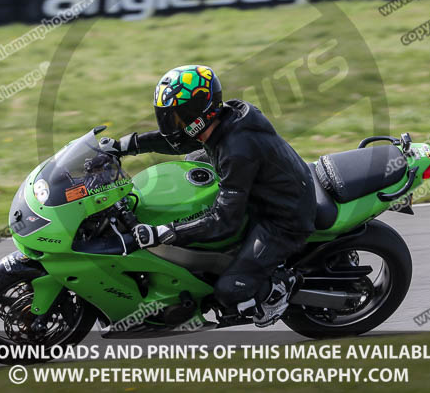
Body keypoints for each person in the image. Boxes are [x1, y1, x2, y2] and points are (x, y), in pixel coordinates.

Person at [102, 65, 316, 327]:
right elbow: (182, 140)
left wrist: (165, 232)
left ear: (197, 113)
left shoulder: (237, 149)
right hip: (261, 190)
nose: (171, 124)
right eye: (168, 117)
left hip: (284, 216)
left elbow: (224, 221)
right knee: (192, 163)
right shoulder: (221, 121)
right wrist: (125, 145)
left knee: (230, 291)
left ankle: (280, 287)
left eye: (177, 117)